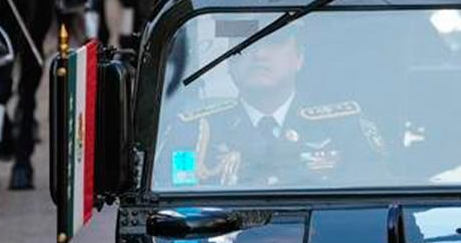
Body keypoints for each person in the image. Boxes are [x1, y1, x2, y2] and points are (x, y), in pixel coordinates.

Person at [161, 23, 385, 189]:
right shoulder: (193, 132)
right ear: (230, 60)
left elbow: (371, 210)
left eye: (274, 42)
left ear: (299, 58)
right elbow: (172, 211)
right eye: (245, 44)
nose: (259, 54)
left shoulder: (345, 128)